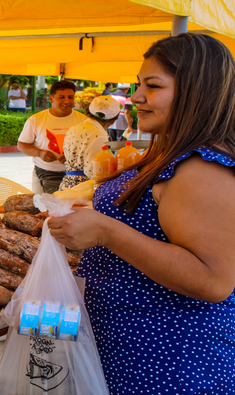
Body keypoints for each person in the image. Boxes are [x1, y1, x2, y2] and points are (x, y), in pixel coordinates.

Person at [48, 33, 235, 394]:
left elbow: (213, 281)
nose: (135, 97)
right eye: (138, 84)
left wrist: (107, 232)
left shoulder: (202, 169)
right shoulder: (172, 153)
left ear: (198, 92)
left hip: (169, 362)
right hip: (132, 348)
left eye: (153, 85)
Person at [17, 80, 86, 194]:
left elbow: (90, 147)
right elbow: (22, 144)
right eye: (61, 97)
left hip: (76, 173)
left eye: (71, 97)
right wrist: (39, 153)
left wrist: (74, 156)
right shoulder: (36, 120)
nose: (67, 101)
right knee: (47, 209)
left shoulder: (84, 121)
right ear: (51, 99)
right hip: (45, 172)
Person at [58, 95, 119, 191]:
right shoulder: (98, 135)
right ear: (112, 121)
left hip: (67, 185)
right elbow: (93, 172)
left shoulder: (74, 128)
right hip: (83, 190)